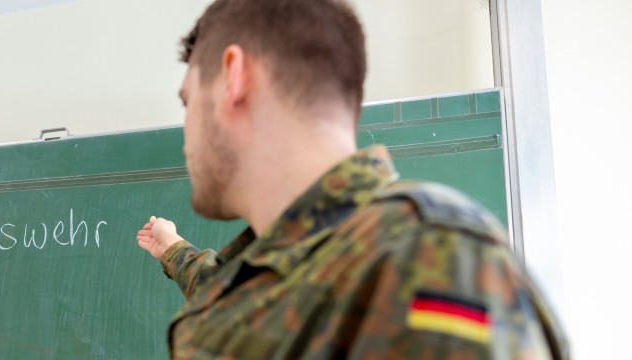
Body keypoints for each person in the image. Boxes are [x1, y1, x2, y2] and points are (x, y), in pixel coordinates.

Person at [135, 0, 570, 358]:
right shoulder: (286, 266)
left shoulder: (429, 260)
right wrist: (172, 248)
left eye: (189, 102)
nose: (186, 134)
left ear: (234, 78)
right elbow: (243, 300)